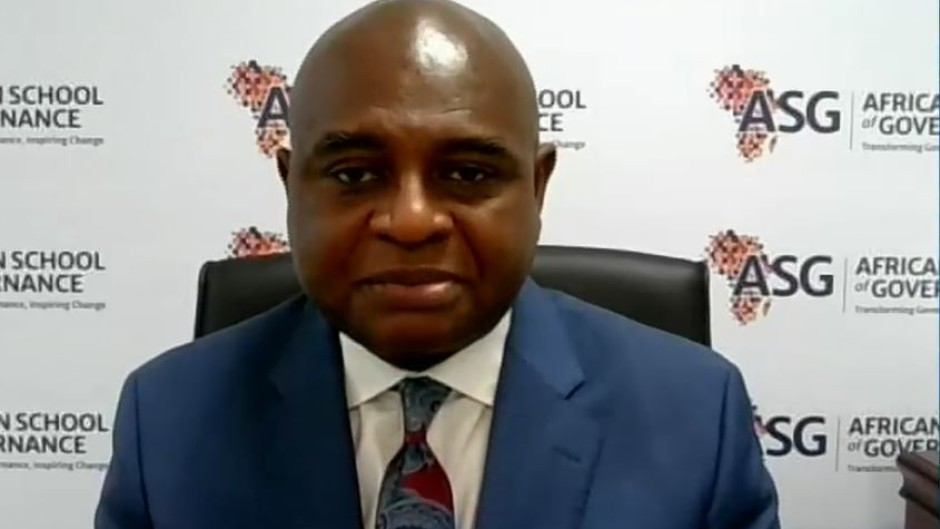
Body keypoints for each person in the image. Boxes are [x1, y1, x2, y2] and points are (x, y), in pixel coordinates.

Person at [94, 0, 780, 528]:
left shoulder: (696, 419)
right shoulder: (169, 421)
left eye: (469, 173)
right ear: (290, 186)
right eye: (355, 175)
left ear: (537, 189)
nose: (412, 221)